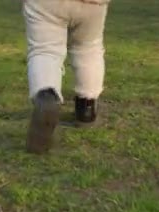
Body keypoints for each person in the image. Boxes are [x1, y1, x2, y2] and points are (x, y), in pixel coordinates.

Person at [23, 0, 110, 154]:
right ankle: (86, 108)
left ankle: (47, 96)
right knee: (89, 48)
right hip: (92, 5)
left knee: (45, 51)